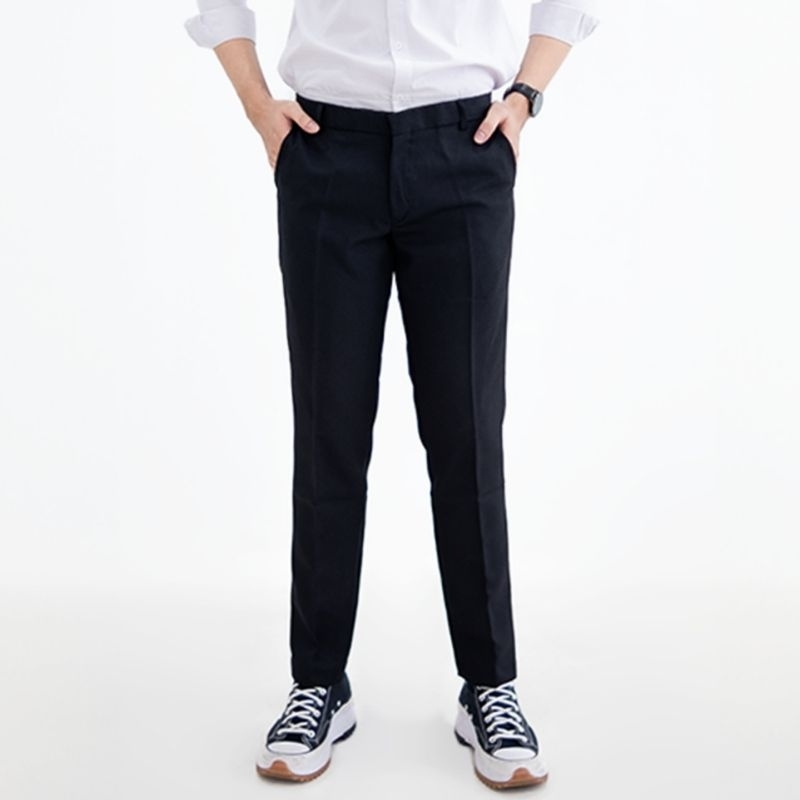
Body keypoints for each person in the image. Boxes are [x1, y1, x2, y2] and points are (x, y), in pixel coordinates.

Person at [184, 0, 600, 789]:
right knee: (329, 430)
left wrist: (525, 95)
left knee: (467, 432)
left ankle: (489, 685)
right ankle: (318, 683)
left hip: (465, 147)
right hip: (325, 149)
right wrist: (257, 106)